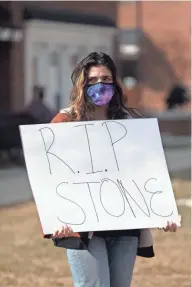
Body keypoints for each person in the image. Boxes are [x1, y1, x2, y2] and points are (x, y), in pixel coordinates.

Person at [50, 52, 180, 287]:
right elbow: (50, 175)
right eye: (93, 80)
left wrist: (163, 211)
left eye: (106, 79)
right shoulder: (65, 122)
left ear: (115, 82)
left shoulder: (131, 123)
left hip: (124, 225)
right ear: (82, 84)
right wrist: (55, 218)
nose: (100, 85)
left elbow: (148, 172)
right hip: (83, 225)